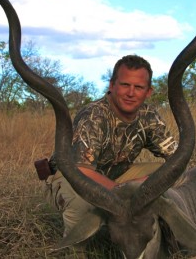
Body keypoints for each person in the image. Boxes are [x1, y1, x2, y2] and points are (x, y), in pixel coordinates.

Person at [45, 54, 177, 257]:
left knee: (171, 176)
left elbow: (175, 160)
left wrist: (149, 183)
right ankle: (73, 250)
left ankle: (154, 237)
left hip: (116, 177)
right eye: (125, 85)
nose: (131, 93)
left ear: (148, 91)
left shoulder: (149, 116)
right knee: (83, 201)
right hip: (71, 178)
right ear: (112, 85)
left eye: (139, 87)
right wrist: (124, 192)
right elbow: (81, 171)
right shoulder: (93, 115)